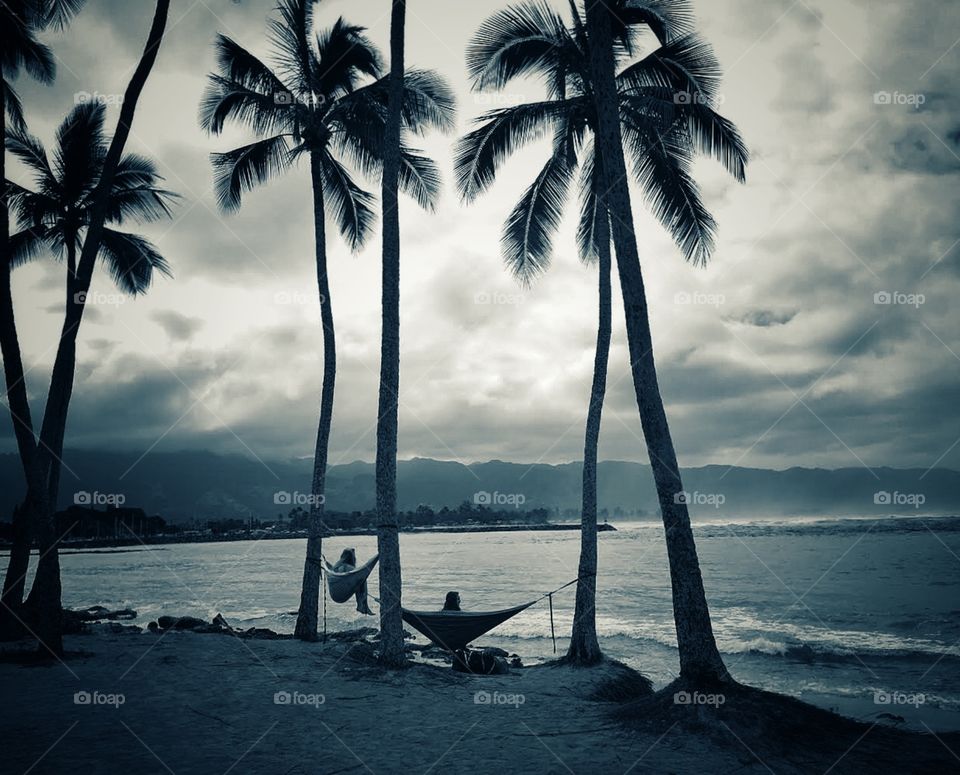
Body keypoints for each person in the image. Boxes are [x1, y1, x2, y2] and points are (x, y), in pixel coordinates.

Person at [332, 548, 373, 615]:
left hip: (337, 589)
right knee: (362, 580)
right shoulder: (348, 567)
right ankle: (362, 605)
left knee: (359, 581)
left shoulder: (337, 565)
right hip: (344, 588)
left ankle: (361, 605)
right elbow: (358, 575)